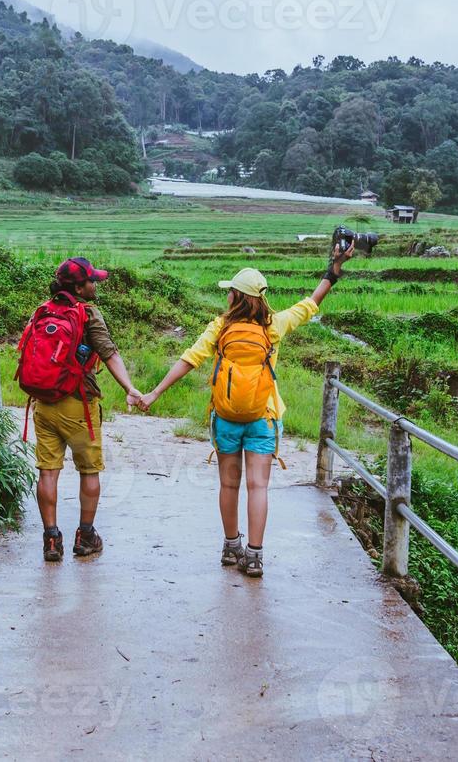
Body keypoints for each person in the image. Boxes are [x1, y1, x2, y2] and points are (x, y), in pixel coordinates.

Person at [139, 242, 354, 577]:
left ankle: (230, 546)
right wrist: (334, 269)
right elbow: (311, 303)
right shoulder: (275, 326)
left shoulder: (220, 327)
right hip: (263, 417)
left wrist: (153, 393)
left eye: (230, 292)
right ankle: (254, 555)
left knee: (228, 486)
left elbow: (188, 360)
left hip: (225, 418)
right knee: (258, 487)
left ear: (236, 297)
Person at [21, 257, 144, 562]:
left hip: (44, 405)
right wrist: (130, 388)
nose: (96, 284)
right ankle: (85, 537)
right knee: (89, 471)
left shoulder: (43, 310)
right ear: (79, 286)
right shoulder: (87, 313)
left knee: (48, 473)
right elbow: (109, 354)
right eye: (91, 280)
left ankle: (51, 540)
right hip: (79, 405)